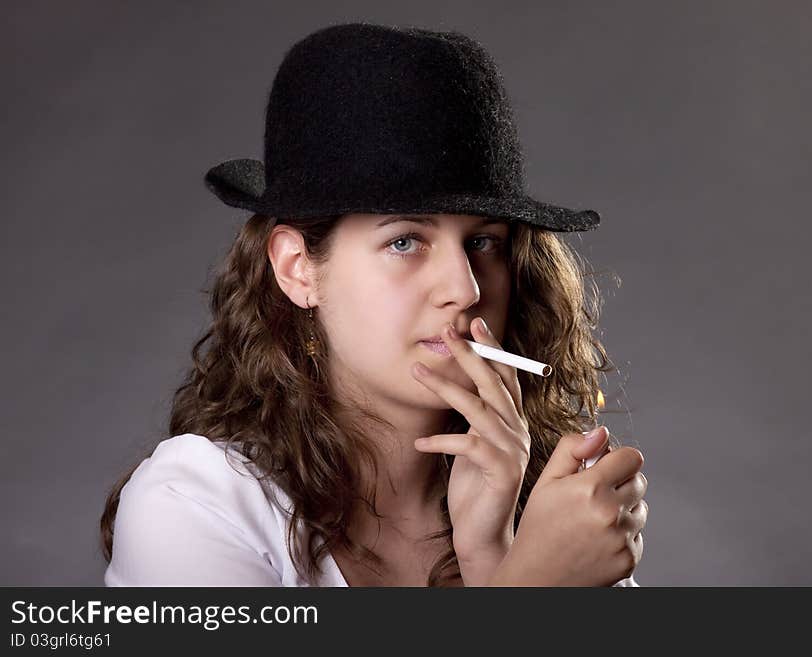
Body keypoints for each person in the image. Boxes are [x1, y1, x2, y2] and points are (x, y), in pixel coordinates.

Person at [100, 22, 648, 587]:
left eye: (484, 242)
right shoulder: (194, 506)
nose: (465, 289)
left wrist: (492, 554)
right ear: (298, 269)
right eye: (404, 241)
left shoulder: (555, 518)